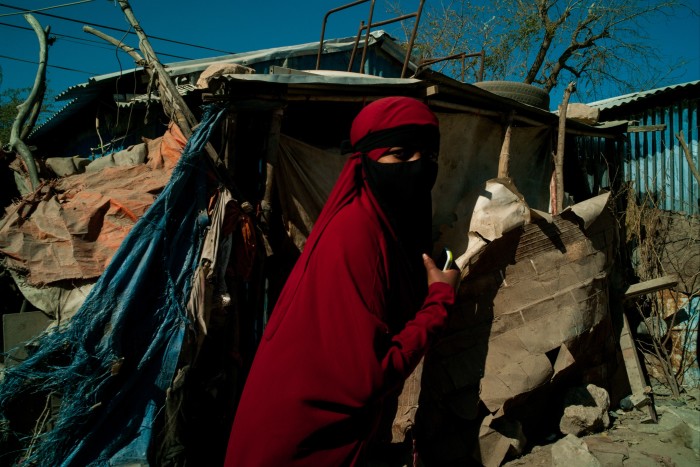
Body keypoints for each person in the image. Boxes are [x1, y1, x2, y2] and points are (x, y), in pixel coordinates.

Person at [224, 96, 460, 466]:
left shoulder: (384, 230)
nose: (416, 168)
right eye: (399, 155)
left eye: (427, 157)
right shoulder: (356, 234)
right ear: (366, 161)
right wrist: (439, 302)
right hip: (301, 446)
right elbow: (367, 379)